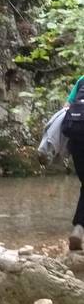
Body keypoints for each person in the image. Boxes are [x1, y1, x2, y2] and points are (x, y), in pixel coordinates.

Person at [66, 74, 84, 251]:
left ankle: (78, 229)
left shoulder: (81, 80)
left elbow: (67, 108)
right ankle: (79, 228)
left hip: (77, 142)